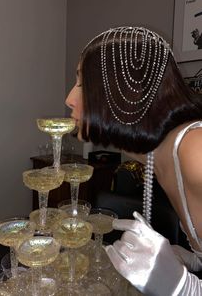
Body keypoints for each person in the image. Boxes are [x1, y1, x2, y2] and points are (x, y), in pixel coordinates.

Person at [65, 26, 202, 295]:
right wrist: (193, 257)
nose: (69, 99)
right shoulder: (156, 155)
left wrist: (184, 288)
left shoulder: (195, 150)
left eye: (82, 84)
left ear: (122, 94)